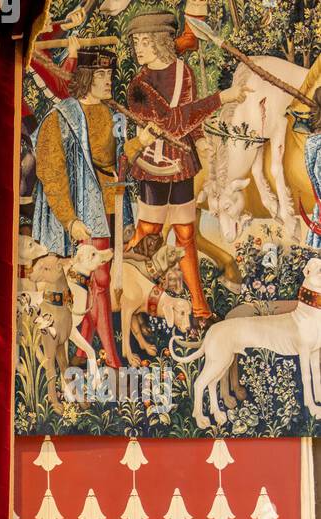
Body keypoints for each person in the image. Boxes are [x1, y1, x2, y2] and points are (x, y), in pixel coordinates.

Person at [123, 9, 245, 328]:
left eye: (145, 41)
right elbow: (172, 123)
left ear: (162, 42)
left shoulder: (183, 71)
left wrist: (201, 139)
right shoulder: (138, 85)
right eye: (136, 41)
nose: (138, 48)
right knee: (148, 234)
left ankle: (200, 311)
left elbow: (189, 117)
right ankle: (121, 289)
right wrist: (221, 98)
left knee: (186, 235)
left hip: (182, 163)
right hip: (153, 166)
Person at [32, 48, 129, 370]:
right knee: (99, 281)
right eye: (101, 76)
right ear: (86, 78)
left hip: (109, 209)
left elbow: (117, 161)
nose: (108, 82)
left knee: (98, 284)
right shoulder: (61, 118)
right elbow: (51, 173)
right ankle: (113, 361)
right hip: (78, 213)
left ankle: (80, 352)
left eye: (110, 75)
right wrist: (70, 220)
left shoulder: (114, 115)